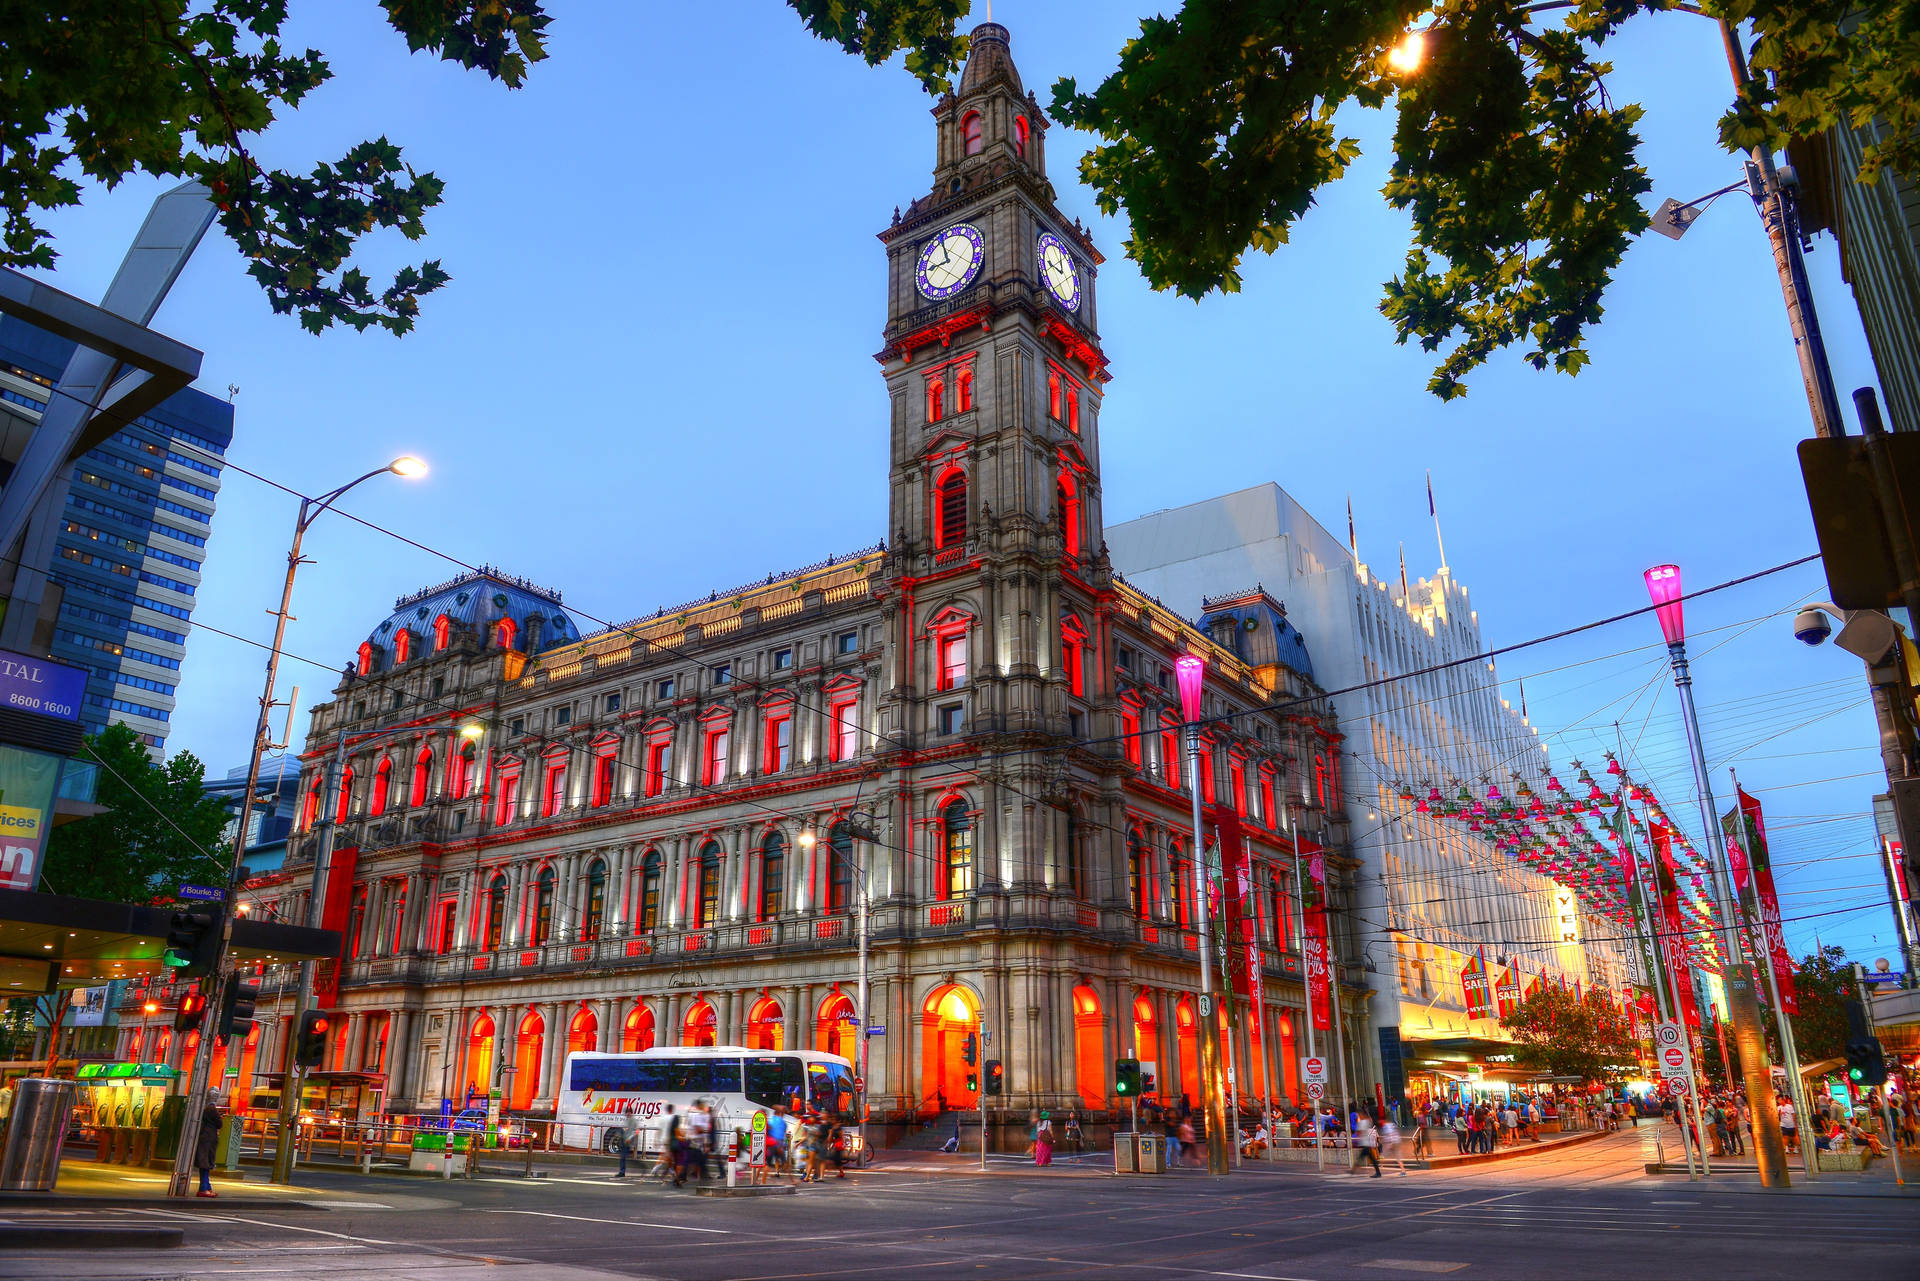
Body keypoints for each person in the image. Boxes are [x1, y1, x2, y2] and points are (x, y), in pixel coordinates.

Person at [193, 1097, 224, 1198]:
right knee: (206, 1164)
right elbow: (220, 1124)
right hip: (209, 1139)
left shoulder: (202, 1108)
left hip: (203, 1137)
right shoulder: (212, 1109)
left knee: (204, 1164)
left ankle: (207, 1187)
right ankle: (204, 1188)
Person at [1353, 1111, 1381, 1177]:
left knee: (1368, 1159)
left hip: (1365, 1143)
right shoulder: (1367, 1122)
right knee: (1364, 1158)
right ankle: (1353, 1171)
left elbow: (1359, 1132)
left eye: (1359, 1115)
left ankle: (1378, 1172)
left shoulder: (1362, 1123)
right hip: (1366, 1143)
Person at [613, 1107, 640, 1179]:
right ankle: (622, 1171)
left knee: (623, 1157)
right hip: (624, 1141)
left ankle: (622, 1172)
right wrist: (619, 1134)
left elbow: (636, 1131)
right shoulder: (626, 1120)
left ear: (631, 1113)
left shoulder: (633, 1121)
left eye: (629, 1112)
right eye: (626, 1112)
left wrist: (629, 1138)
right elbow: (624, 1129)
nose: (627, 1114)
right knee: (623, 1157)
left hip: (628, 1141)